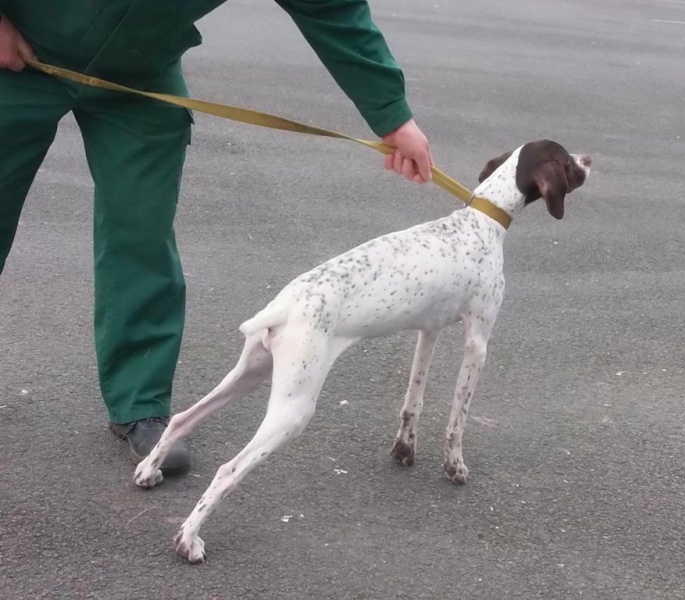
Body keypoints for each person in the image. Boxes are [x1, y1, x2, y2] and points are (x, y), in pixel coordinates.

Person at [0, 1, 433, 476]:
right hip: (21, 48)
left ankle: (140, 402)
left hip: (139, 72)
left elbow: (332, 7)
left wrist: (393, 116)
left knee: (142, 236)